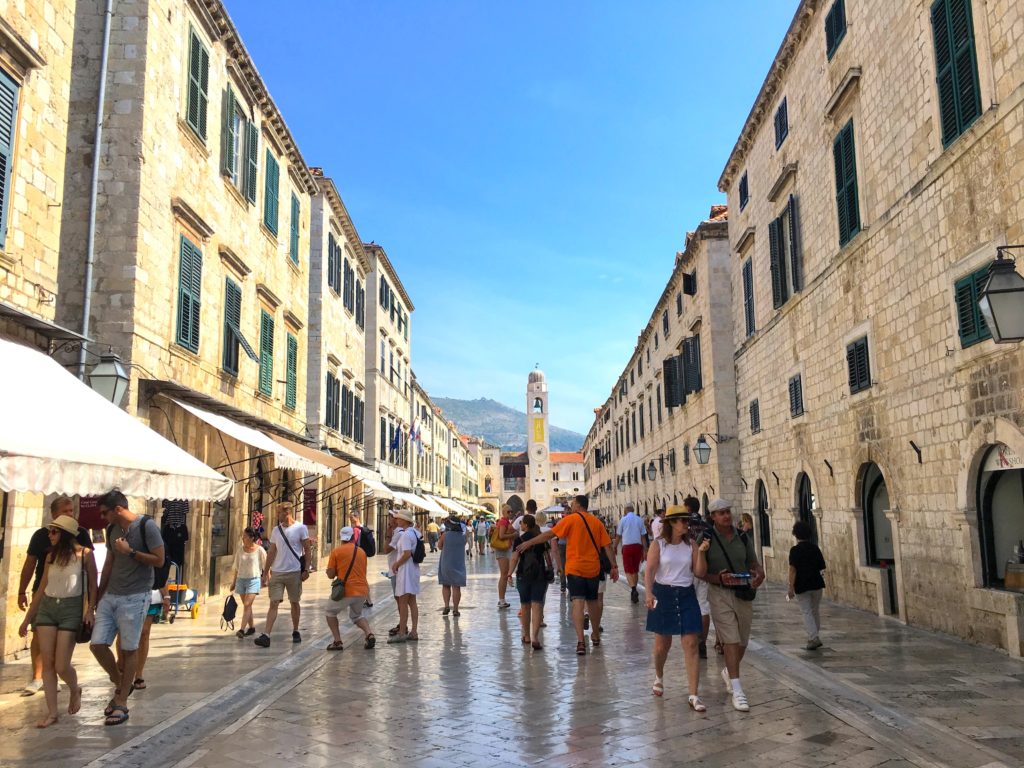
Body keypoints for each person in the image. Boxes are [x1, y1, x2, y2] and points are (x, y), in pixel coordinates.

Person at [90, 489, 166, 726]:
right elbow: (109, 563)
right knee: (97, 644)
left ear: (118, 509)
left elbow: (160, 560)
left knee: (129, 648)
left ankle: (121, 702)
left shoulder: (147, 527)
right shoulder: (112, 530)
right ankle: (121, 682)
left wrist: (131, 552)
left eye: (105, 513)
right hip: (111, 594)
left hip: (136, 594)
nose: (103, 518)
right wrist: (96, 598)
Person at [18, 515, 97, 728]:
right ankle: (52, 713)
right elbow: (42, 587)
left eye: (54, 532)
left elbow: (93, 586)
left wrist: (90, 610)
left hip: (71, 609)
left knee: (62, 664)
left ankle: (74, 688)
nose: (50, 535)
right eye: (50, 531)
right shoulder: (50, 557)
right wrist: (27, 619)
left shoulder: (85, 555)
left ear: (65, 535)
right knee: (48, 663)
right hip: (48, 608)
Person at [516, 495, 618, 656]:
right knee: (592, 602)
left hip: (575, 568)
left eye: (573, 504)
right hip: (593, 568)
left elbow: (549, 535)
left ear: (577, 505)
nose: (571, 506)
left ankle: (580, 642)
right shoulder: (596, 522)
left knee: (577, 602)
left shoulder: (570, 520)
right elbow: (607, 546)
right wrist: (614, 566)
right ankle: (595, 635)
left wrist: (529, 542)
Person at [694, 498, 764, 713]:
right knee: (731, 640)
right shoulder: (705, 538)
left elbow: (752, 562)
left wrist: (759, 573)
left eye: (728, 512)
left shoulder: (742, 536)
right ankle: (737, 688)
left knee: (742, 641)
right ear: (712, 516)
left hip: (742, 592)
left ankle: (728, 671)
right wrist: (718, 577)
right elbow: (700, 572)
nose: (726, 516)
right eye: (721, 513)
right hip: (719, 594)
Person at [644, 506, 705, 709]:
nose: (686, 524)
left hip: (686, 594)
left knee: (691, 643)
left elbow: (699, 572)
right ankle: (659, 675)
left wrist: (702, 553)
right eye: (681, 520)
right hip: (664, 594)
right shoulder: (659, 544)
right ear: (671, 522)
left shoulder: (691, 545)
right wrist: (648, 593)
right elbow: (650, 569)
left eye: (687, 520)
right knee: (663, 645)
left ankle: (693, 695)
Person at [254, 505, 310, 648]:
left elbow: (307, 549)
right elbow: (271, 552)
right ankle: (266, 635)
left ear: (288, 512)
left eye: (279, 512)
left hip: (294, 572)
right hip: (278, 572)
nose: (277, 515)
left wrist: (306, 569)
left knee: (294, 602)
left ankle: (296, 630)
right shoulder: (275, 530)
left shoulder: (300, 528)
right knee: (273, 602)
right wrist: (265, 573)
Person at [324, 526, 375, 650]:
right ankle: (369, 634)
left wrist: (331, 571)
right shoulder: (362, 552)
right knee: (357, 616)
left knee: (330, 612)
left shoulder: (337, 551)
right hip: (362, 590)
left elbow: (331, 574)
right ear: (353, 537)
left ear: (341, 538)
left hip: (346, 590)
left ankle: (337, 641)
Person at [508, 514, 552, 650]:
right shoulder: (541, 538)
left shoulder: (519, 539)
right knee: (537, 605)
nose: (520, 525)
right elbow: (547, 557)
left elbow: (515, 558)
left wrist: (509, 573)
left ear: (526, 525)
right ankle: (535, 638)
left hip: (523, 575)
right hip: (539, 575)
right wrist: (551, 570)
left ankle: (526, 636)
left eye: (521, 523)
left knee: (525, 605)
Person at [788, 520, 827, 650]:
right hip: (816, 584)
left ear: (795, 534)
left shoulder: (795, 550)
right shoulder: (815, 548)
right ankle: (814, 636)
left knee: (806, 611)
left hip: (802, 585)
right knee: (815, 610)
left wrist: (790, 587)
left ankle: (813, 638)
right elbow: (822, 566)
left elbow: (793, 570)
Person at [683, 498, 713, 658]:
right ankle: (702, 642)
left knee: (688, 605)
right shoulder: (707, 526)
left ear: (687, 508)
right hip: (704, 569)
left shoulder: (683, 526)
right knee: (703, 606)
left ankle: (692, 641)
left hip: (687, 570)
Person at [386, 509, 421, 643]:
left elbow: (406, 553)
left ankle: (401, 633)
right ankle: (414, 631)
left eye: (399, 518)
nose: (397, 520)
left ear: (405, 520)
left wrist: (396, 564)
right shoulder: (415, 532)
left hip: (406, 570)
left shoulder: (406, 535)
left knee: (403, 601)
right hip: (413, 569)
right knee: (412, 601)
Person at [231, 527, 266, 638]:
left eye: (245, 536)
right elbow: (236, 567)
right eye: (243, 536)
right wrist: (233, 582)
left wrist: (267, 578)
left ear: (251, 538)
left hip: (253, 580)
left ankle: (241, 630)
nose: (243, 538)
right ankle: (251, 627)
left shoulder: (259, 550)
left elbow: (267, 564)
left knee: (247, 604)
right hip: (241, 579)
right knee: (247, 606)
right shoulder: (240, 550)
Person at [615, 502, 649, 604]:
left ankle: (633, 589)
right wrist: (645, 550)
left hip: (627, 547)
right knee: (635, 569)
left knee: (628, 570)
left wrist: (615, 547)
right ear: (633, 510)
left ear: (625, 510)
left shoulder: (623, 520)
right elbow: (643, 537)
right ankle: (634, 589)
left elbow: (618, 536)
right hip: (637, 547)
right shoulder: (639, 520)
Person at [438, 513, 468, 616]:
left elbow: (439, 546)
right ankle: (455, 609)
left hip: (446, 562)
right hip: (458, 563)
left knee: (446, 585)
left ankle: (446, 606)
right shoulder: (463, 536)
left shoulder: (445, 535)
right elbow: (463, 545)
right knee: (456, 587)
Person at [348, 511, 375, 607]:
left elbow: (354, 544)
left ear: (357, 517)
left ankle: (367, 600)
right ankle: (367, 600)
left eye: (352, 517)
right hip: (357, 557)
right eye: (349, 517)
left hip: (359, 557)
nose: (350, 519)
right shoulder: (354, 529)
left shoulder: (360, 530)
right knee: (360, 578)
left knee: (361, 578)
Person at [493, 504, 516, 609]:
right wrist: (513, 535)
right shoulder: (503, 522)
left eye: (511, 511)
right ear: (504, 512)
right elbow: (502, 536)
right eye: (508, 512)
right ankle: (501, 600)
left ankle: (502, 599)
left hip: (505, 549)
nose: (510, 513)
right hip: (502, 550)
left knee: (505, 574)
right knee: (503, 575)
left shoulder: (507, 522)